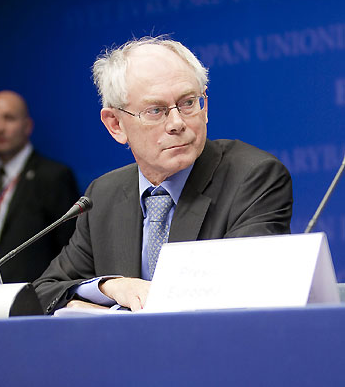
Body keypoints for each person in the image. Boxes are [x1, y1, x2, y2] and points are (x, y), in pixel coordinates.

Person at [33, 36, 293, 314]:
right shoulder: (104, 194)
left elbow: (236, 289)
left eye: (188, 102)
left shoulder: (253, 177)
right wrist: (110, 286)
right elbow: (44, 291)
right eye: (155, 110)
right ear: (116, 124)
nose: (177, 123)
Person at [0, 90, 79, 283]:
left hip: (30, 297)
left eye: (9, 118)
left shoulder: (52, 176)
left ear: (27, 126)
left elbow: (71, 248)